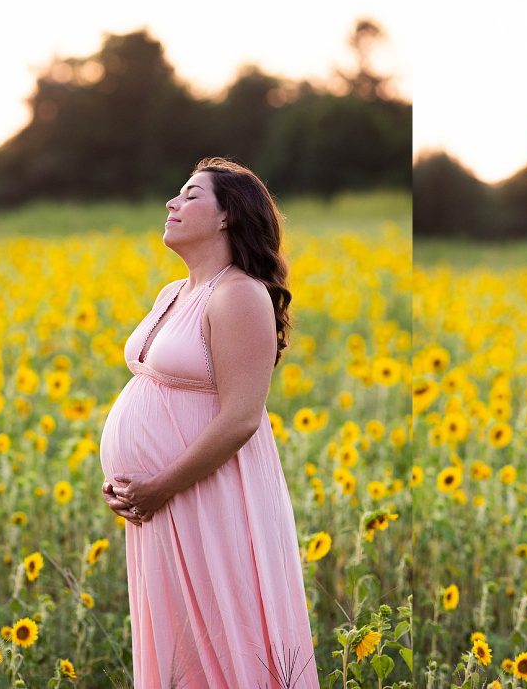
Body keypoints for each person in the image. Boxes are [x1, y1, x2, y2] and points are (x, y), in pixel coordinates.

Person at [98, 157, 319, 689]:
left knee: (218, 633)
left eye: (191, 195)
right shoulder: (173, 292)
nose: (172, 204)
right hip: (161, 501)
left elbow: (242, 417)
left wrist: (159, 486)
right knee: (181, 642)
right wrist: (131, 487)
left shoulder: (239, 293)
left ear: (226, 216)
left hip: (205, 493)